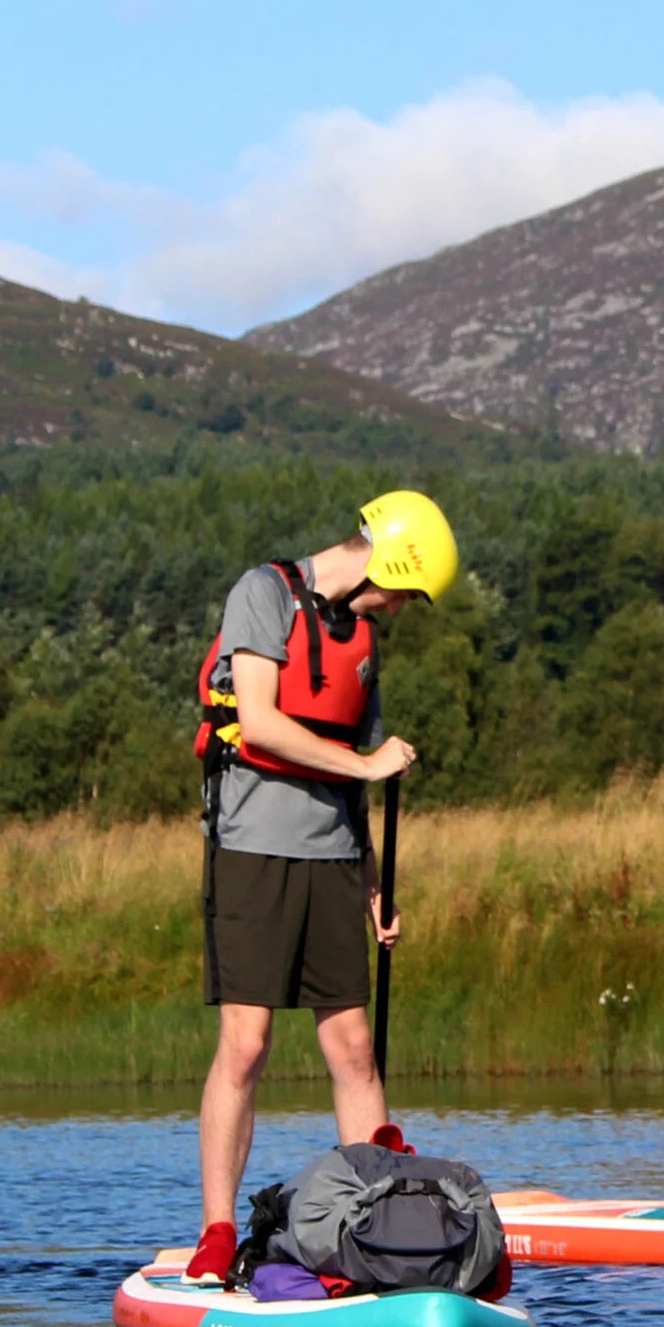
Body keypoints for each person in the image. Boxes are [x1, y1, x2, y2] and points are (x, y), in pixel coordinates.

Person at [180, 490, 460, 1282]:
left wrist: (375, 887)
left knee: (353, 1048)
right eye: (406, 593)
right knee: (248, 1042)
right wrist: (368, 764)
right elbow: (262, 723)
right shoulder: (261, 594)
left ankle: (377, 1232)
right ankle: (215, 1232)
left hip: (335, 855)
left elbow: (355, 783)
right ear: (394, 564)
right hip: (253, 849)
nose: (402, 609)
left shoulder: (361, 640)